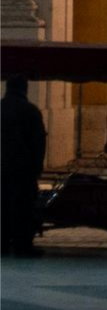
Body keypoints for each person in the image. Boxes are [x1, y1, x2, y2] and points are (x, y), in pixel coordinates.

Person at [0, 77, 47, 258]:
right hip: (22, 170)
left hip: (1, 169)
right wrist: (36, 168)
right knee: (23, 209)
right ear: (24, 89)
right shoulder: (30, 111)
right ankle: (22, 245)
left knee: (1, 206)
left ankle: (2, 243)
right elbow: (38, 143)